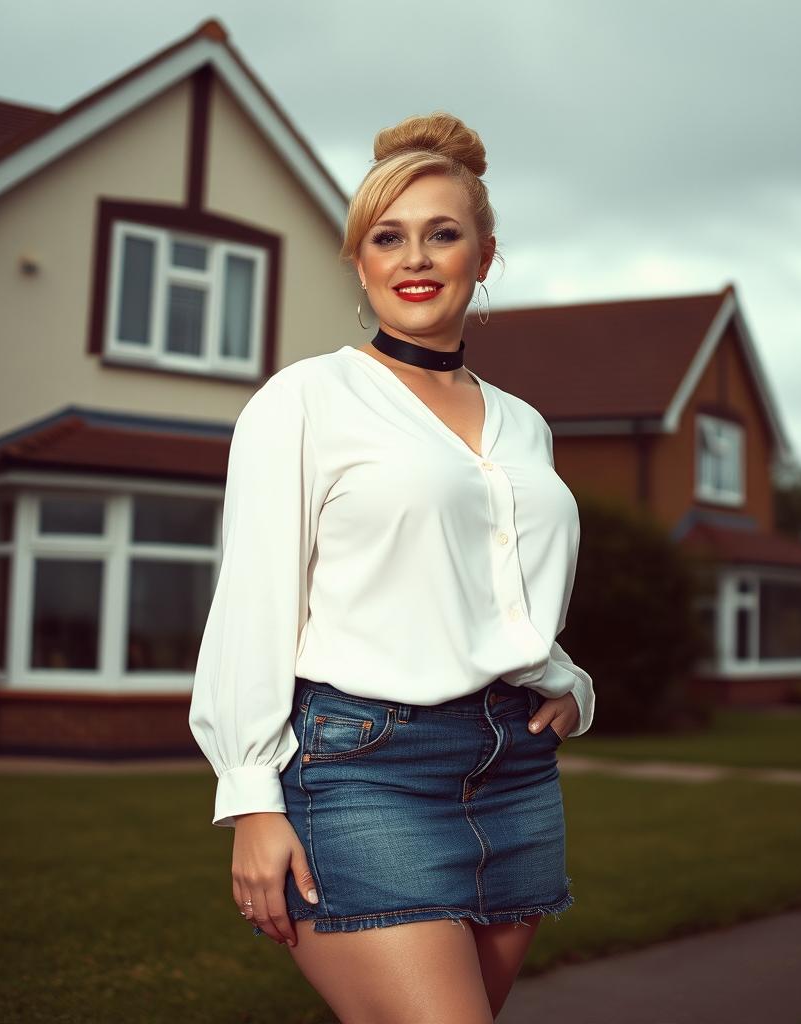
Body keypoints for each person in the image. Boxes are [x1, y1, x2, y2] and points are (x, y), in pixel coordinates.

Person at [189, 110, 595, 1024]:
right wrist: (251, 796)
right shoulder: (305, 399)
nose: (416, 258)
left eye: (443, 234)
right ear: (361, 260)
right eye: (389, 237)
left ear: (484, 256)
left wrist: (568, 680)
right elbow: (254, 599)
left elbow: (504, 586)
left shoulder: (524, 422)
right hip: (364, 769)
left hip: (517, 771)